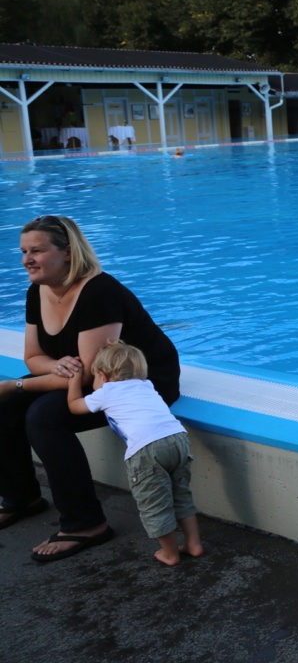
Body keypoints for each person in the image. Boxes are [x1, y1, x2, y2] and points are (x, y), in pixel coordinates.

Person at [0, 215, 180, 563]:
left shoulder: (99, 292)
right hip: (88, 376)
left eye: (37, 251)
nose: (27, 260)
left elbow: (88, 377)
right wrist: (55, 366)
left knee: (43, 416)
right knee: (5, 407)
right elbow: (33, 357)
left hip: (137, 381)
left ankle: (86, 523)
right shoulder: (37, 290)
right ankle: (21, 498)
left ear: (68, 252)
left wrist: (13, 385)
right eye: (23, 252)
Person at [66, 340, 202, 566]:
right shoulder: (146, 385)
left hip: (147, 449)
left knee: (154, 504)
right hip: (178, 438)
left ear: (103, 376)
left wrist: (74, 380)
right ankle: (193, 544)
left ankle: (170, 553)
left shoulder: (106, 391)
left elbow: (74, 406)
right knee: (181, 495)